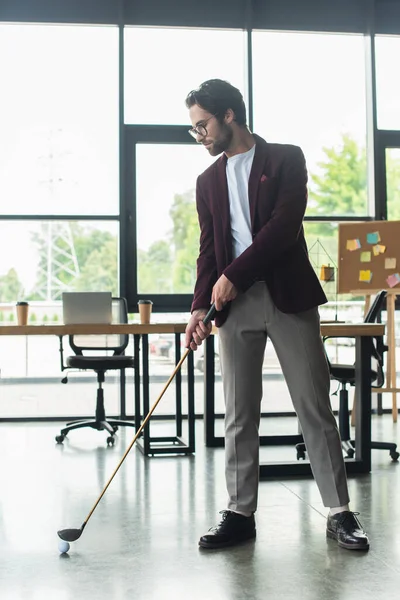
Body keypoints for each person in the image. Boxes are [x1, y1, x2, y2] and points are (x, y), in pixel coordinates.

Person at [184, 79, 369, 552]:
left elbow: (283, 228)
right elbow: (209, 250)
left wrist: (236, 275)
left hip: (288, 296)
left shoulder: (286, 158)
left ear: (229, 116)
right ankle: (240, 512)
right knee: (239, 412)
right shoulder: (207, 182)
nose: (199, 135)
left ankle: (339, 511)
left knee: (314, 405)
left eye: (203, 125)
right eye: (194, 129)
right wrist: (198, 308)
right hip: (233, 307)